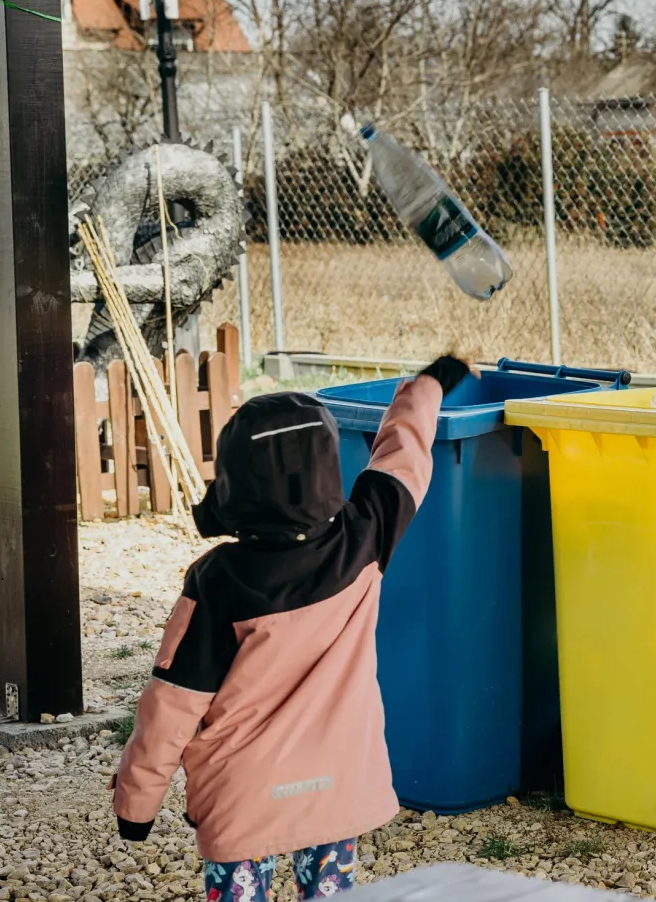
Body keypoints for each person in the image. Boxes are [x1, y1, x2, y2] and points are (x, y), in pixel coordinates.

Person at [112, 356, 470, 901]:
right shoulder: (364, 537)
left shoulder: (218, 580)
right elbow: (402, 462)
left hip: (244, 794)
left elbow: (173, 702)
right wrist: (428, 386)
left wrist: (137, 805)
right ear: (326, 471)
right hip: (336, 783)